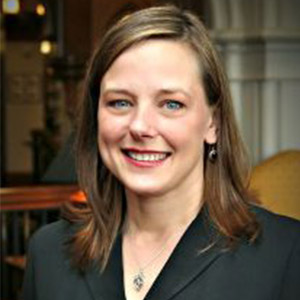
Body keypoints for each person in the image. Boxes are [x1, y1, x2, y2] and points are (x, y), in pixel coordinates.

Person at [23, 5, 300, 300]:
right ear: (96, 117)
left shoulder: (285, 253)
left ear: (213, 124)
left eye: (171, 104)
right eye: (120, 102)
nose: (141, 126)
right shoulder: (48, 253)